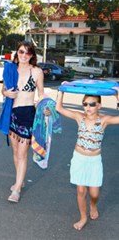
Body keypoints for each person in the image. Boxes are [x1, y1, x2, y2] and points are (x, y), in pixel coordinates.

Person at [56, 89, 119, 230]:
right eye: (85, 104)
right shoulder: (80, 117)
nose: (88, 107)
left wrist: (117, 95)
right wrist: (61, 91)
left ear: (99, 106)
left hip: (94, 161)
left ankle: (93, 204)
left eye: (92, 104)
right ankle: (83, 217)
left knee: (94, 193)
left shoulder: (104, 120)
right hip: (79, 159)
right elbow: (59, 108)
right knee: (80, 191)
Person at [0, 41, 50, 203]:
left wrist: (45, 108)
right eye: (21, 52)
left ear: (32, 55)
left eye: (28, 53)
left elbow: (41, 94)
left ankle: (18, 188)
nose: (24, 55)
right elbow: (3, 89)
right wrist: (6, 93)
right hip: (12, 114)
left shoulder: (37, 72)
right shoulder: (10, 69)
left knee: (22, 154)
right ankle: (19, 180)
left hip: (28, 114)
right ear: (17, 53)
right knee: (15, 152)